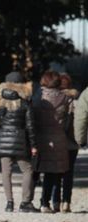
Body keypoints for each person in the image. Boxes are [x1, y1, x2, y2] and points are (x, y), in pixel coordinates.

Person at [0, 71, 38, 212]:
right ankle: (25, 202)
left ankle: (9, 203)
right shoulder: (25, 103)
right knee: (27, 170)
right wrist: (33, 145)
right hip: (21, 140)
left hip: (2, 140)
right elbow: (30, 126)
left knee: (6, 172)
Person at [33, 70, 72, 213]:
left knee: (35, 170)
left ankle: (31, 201)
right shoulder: (66, 98)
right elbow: (68, 121)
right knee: (55, 172)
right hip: (59, 137)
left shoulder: (38, 97)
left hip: (40, 137)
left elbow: (33, 118)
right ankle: (51, 203)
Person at [51, 73, 79, 213]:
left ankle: (55, 202)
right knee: (68, 173)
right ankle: (66, 201)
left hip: (57, 142)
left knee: (56, 172)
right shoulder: (75, 101)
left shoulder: (54, 101)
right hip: (72, 143)